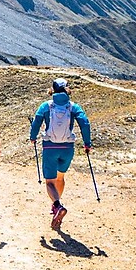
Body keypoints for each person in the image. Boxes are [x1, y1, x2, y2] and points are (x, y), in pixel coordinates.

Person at [29, 78, 92, 230]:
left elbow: (37, 122)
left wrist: (33, 137)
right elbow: (85, 123)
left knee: (50, 182)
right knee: (60, 177)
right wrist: (87, 143)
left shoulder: (46, 106)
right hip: (68, 148)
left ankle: (57, 205)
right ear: (67, 90)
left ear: (53, 90)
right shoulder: (73, 107)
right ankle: (57, 204)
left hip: (50, 147)